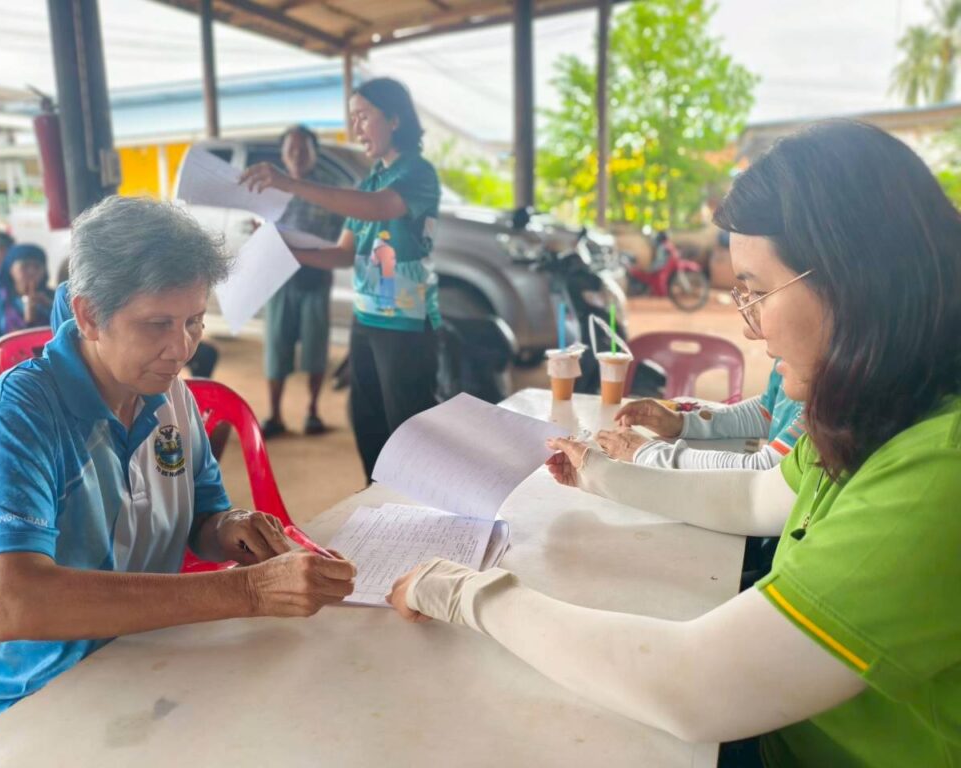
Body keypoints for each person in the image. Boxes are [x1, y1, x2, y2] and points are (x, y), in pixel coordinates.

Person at [387, 121, 961, 767]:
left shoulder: (940, 471)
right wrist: (602, 474)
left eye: (758, 292)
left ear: (856, 284)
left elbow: (698, 685)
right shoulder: (883, 405)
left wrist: (464, 593)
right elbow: (758, 496)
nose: (751, 328)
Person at [0, 196, 356, 748]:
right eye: (158, 324)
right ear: (89, 315)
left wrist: (230, 527)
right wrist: (249, 591)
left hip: (132, 661)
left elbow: (203, 512)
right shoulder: (26, 408)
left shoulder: (171, 398)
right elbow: (16, 602)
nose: (181, 349)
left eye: (194, 321)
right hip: (13, 698)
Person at [241, 77, 441, 481]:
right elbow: (344, 253)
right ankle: (379, 496)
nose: (356, 127)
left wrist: (289, 183)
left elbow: (378, 208)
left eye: (364, 116)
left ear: (395, 119)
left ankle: (417, 505)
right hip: (367, 319)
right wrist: (281, 250)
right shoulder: (369, 180)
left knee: (408, 429)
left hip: (406, 322)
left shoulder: (417, 173)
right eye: (353, 118)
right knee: (367, 421)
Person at [260, 125, 347, 438]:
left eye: (303, 149)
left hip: (316, 278)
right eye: (291, 149)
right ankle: (275, 415)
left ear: (315, 153)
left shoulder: (330, 190)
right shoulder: (269, 188)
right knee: (276, 347)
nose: (297, 155)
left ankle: (313, 411)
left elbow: (343, 235)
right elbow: (261, 227)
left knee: (315, 349)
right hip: (279, 278)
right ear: (283, 154)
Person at [597, 362, 804, 470]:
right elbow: (768, 411)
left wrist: (647, 453)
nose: (748, 332)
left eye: (760, 297)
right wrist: (683, 423)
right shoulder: (794, 350)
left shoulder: (821, 404)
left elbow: (768, 472)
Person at [0, 243, 54, 338]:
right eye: (25, 266)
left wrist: (50, 307)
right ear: (10, 269)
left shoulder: (54, 298)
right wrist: (27, 321)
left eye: (37, 267)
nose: (32, 272)